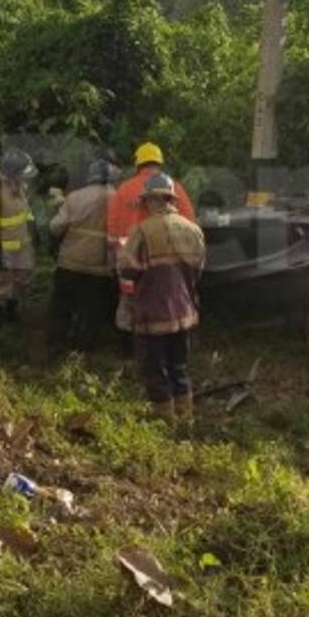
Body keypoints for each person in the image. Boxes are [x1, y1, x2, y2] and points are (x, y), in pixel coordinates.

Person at [118, 172, 206, 426]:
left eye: (146, 200)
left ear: (153, 200)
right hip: (185, 313)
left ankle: (164, 419)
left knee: (154, 368)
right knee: (179, 365)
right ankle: (185, 416)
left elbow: (127, 269)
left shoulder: (142, 231)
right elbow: (199, 270)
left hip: (153, 314)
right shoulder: (193, 230)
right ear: (171, 199)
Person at [107, 142, 195, 340]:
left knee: (129, 302)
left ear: (138, 164)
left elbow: (112, 231)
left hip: (130, 259)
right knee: (164, 300)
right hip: (165, 259)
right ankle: (163, 341)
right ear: (159, 163)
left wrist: (116, 256)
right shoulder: (174, 188)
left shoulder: (123, 189)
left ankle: (127, 346)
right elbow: (189, 224)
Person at [48, 157, 119, 356]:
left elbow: (55, 227)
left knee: (62, 306)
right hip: (100, 266)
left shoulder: (75, 197)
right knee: (91, 310)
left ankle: (56, 344)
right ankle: (84, 350)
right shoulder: (118, 199)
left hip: (70, 262)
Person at [0, 149, 38, 330]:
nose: (24, 177)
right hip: (3, 249)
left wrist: (32, 227)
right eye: (22, 173)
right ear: (12, 173)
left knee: (20, 279)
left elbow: (24, 210)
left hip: (22, 244)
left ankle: (11, 308)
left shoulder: (19, 185)